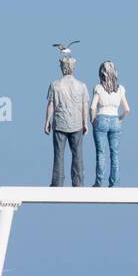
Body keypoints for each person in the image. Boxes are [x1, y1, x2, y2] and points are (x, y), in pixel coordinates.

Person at [44, 56, 89, 186]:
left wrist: (47, 121)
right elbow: (84, 106)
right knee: (78, 154)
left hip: (60, 123)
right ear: (73, 68)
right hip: (76, 124)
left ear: (62, 67)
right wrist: (85, 123)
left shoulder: (55, 85)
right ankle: (78, 182)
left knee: (59, 155)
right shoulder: (82, 86)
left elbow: (51, 104)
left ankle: (57, 182)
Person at [90, 60, 130, 187]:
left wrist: (92, 120)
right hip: (115, 119)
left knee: (101, 153)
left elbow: (92, 107)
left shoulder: (99, 88)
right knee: (115, 153)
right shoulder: (120, 89)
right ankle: (114, 183)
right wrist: (120, 119)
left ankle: (99, 182)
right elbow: (127, 109)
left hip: (101, 118)